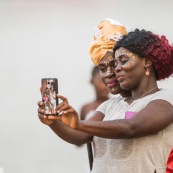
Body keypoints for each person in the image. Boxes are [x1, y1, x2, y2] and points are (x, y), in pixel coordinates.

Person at [38, 22, 173, 172]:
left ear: (147, 61)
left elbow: (130, 127)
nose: (116, 69)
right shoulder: (108, 106)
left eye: (123, 61)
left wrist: (79, 124)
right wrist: (53, 122)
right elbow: (80, 136)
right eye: (116, 64)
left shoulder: (165, 100)